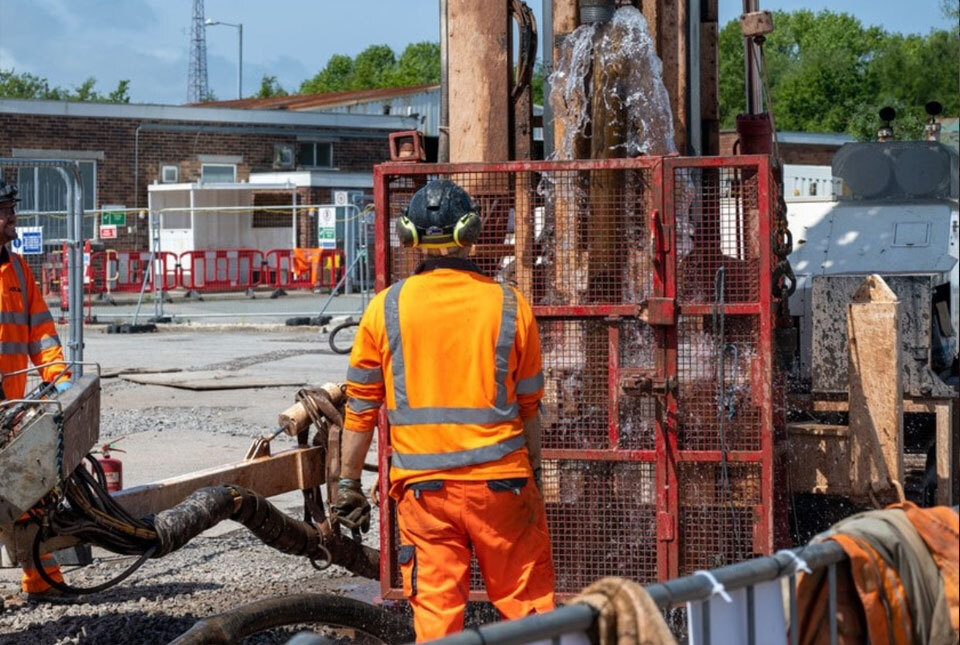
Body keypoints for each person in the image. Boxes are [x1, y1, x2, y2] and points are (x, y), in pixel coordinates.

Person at [332, 179, 555, 641]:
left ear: (409, 236)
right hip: (502, 487)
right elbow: (530, 406)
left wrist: (348, 484)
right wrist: (532, 470)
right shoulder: (511, 306)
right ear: (471, 232)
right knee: (530, 615)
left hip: (425, 495)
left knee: (436, 621)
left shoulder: (385, 308)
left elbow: (360, 409)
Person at [0, 179, 72, 601]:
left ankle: (42, 580)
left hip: (9, 408)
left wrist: (59, 375)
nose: (12, 216)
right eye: (4, 210)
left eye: (12, 208)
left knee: (27, 490)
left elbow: (41, 332)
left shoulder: (18, 271)